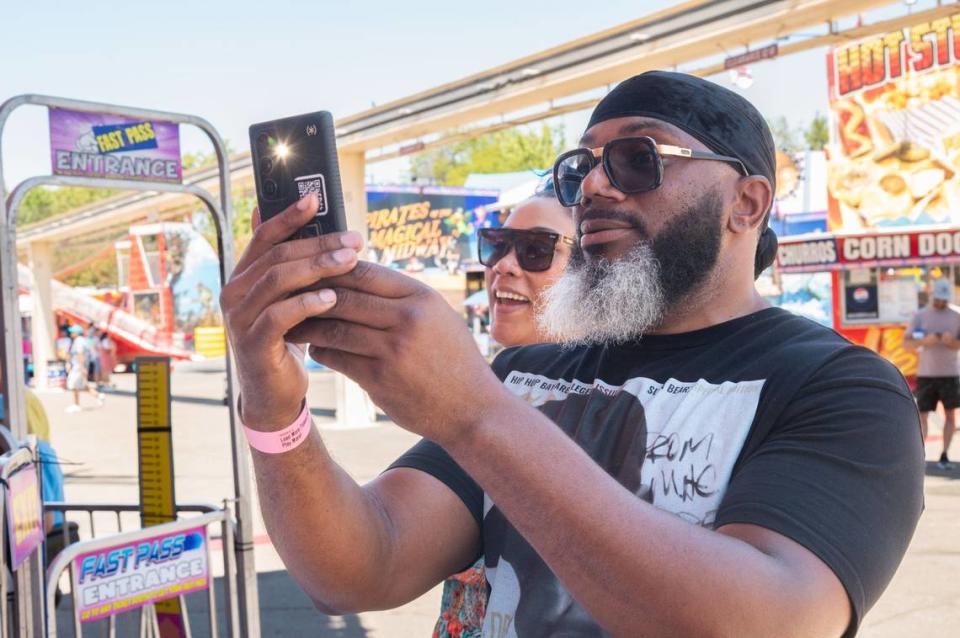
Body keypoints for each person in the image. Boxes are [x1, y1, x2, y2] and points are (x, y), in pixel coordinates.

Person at [221, 71, 924, 636]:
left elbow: (772, 620)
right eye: (579, 167)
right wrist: (272, 402)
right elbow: (360, 568)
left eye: (636, 158)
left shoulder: (841, 386)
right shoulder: (530, 375)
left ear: (746, 202)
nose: (592, 185)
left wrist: (475, 416)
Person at [435, 179, 574, 637]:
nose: (504, 267)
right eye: (498, 246)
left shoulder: (618, 415)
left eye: (536, 249)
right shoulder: (490, 389)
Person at [904, 278, 960, 469]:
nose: (940, 303)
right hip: (926, 373)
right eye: (937, 298)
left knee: (950, 416)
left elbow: (958, 344)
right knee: (922, 416)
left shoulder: (957, 315)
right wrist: (924, 342)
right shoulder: (919, 316)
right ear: (931, 296)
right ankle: (921, 456)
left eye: (944, 299)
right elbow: (907, 345)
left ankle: (944, 455)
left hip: (951, 373)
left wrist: (952, 343)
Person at [65, 325, 102, 413]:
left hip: (78, 367)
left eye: (72, 332)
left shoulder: (79, 341)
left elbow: (80, 354)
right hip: (78, 366)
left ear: (76, 333)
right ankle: (98, 395)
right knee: (81, 385)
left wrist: (82, 367)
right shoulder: (82, 340)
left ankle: (76, 405)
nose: (71, 333)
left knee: (74, 385)